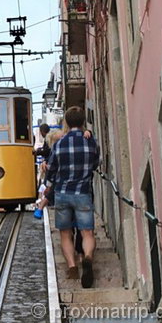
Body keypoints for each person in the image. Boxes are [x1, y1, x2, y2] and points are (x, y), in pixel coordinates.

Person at [45, 107, 100, 288]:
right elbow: (95, 164)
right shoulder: (90, 142)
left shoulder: (59, 144)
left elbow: (52, 170)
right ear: (83, 121)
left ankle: (72, 266)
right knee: (87, 232)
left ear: (67, 122)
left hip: (63, 193)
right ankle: (88, 258)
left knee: (65, 233)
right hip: (83, 192)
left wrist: (49, 184)